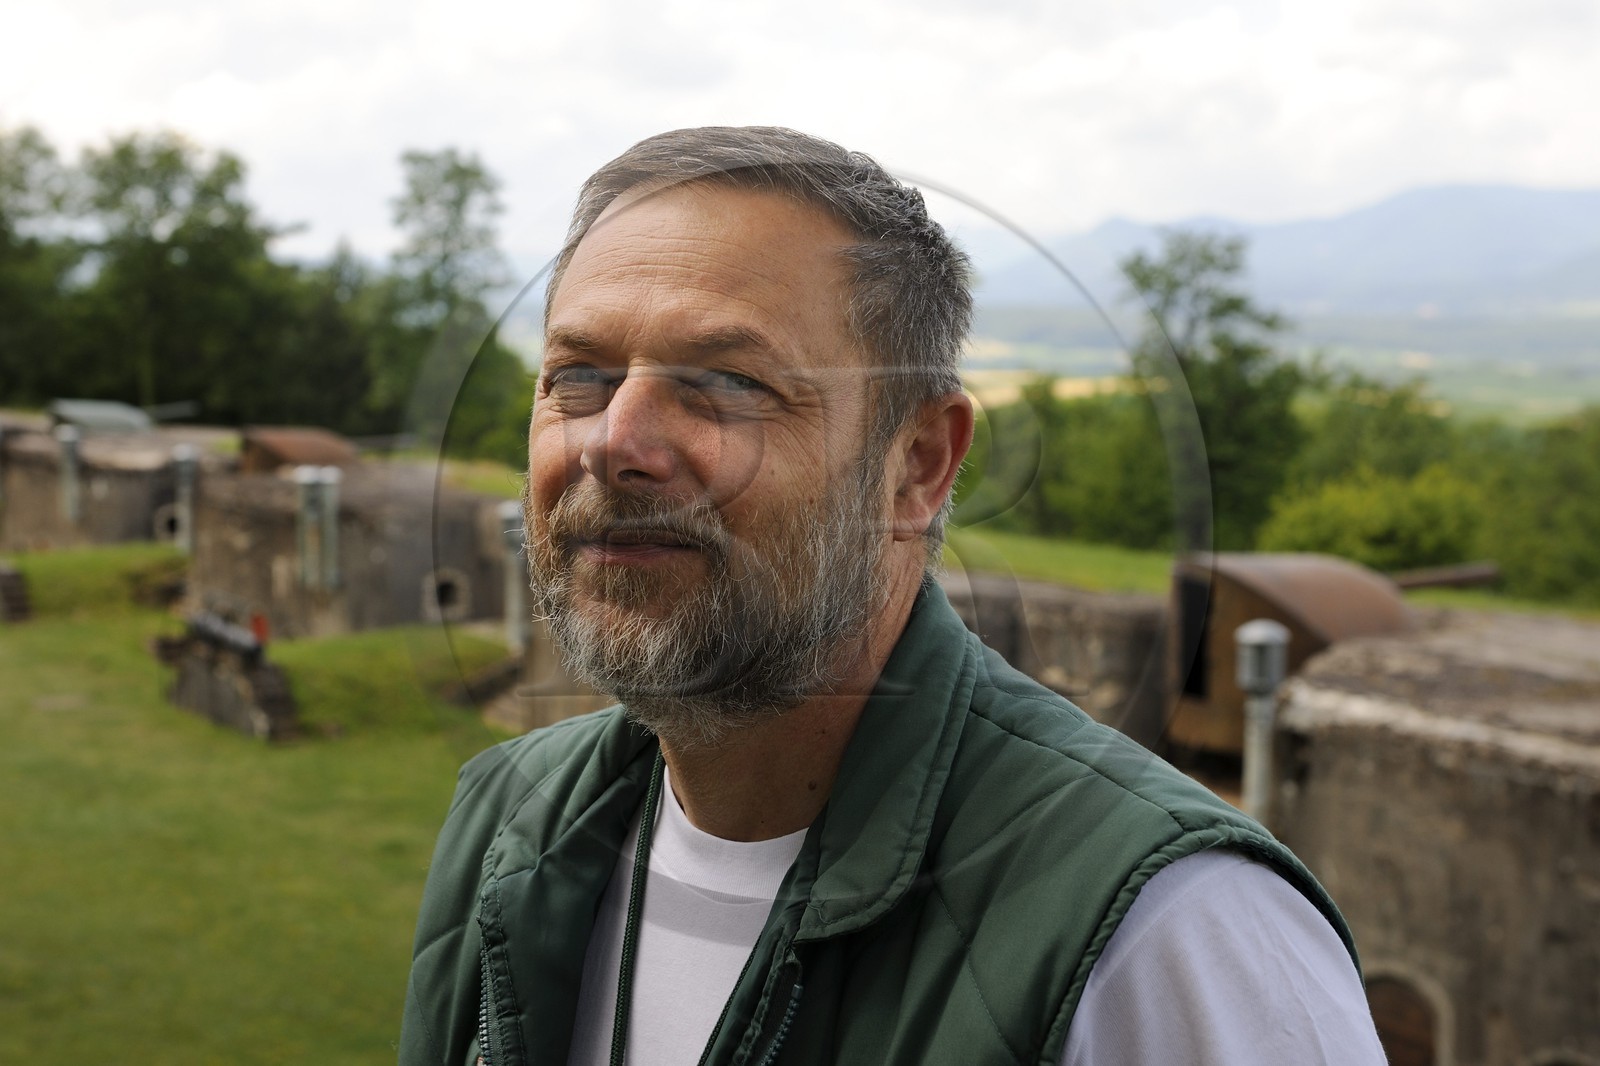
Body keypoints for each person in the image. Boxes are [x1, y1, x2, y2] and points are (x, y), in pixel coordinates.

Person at [399, 126, 1386, 1066]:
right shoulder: (508, 821)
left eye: (726, 382)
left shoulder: (1169, 932)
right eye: (580, 375)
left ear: (913, 464)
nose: (615, 439)